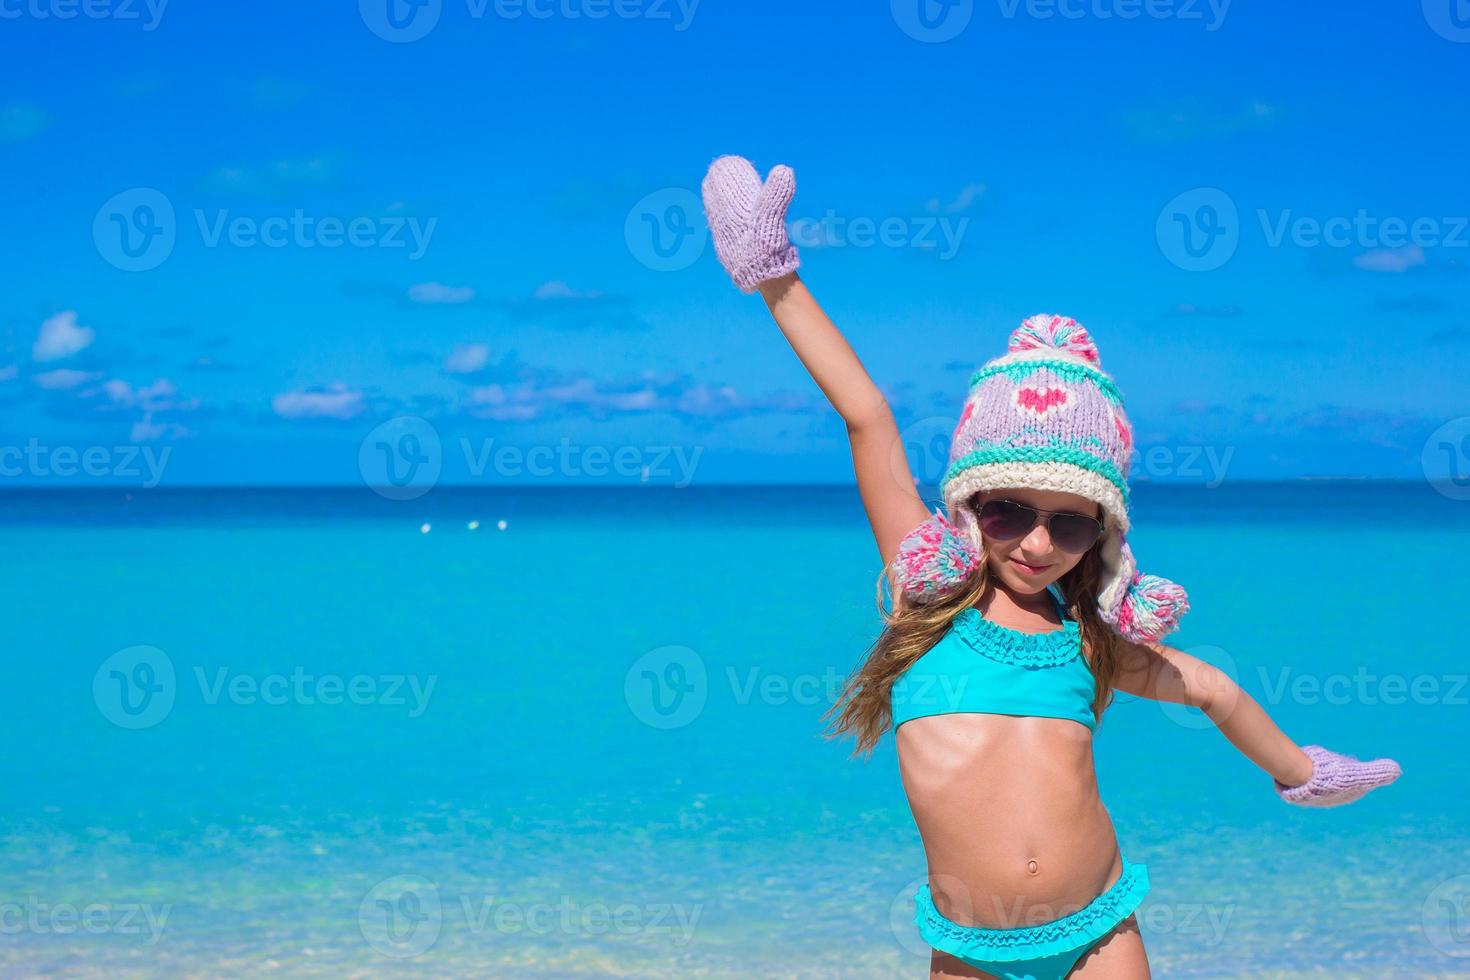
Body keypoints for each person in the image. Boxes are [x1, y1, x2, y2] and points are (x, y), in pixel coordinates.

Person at [699, 155, 1403, 979]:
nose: (1036, 544)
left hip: (1101, 928)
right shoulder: (930, 591)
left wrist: (1306, 773)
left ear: (1100, 535)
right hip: (971, 947)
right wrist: (774, 279)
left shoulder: (1089, 642)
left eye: (1069, 524)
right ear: (970, 507)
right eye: (1009, 513)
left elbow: (1210, 688)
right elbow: (867, 416)